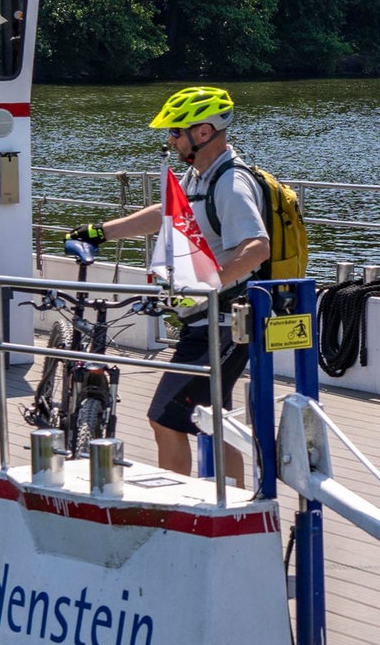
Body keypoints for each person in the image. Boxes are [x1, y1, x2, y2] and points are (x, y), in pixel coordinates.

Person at [68, 86, 270, 485]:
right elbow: (165, 214)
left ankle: (174, 508)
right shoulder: (199, 176)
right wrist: (100, 233)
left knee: (165, 417)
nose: (170, 140)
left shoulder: (231, 183)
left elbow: (257, 247)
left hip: (227, 321)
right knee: (216, 421)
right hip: (204, 322)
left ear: (205, 132)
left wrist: (206, 284)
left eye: (176, 132)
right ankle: (235, 504)